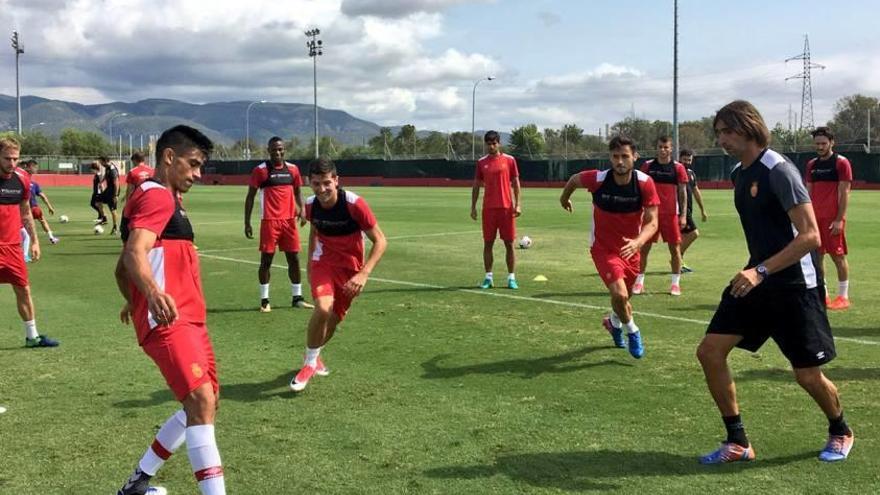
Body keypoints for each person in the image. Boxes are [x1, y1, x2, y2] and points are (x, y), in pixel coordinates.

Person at [697, 100, 852, 465]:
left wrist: (761, 271)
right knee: (709, 351)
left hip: (795, 285)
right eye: (718, 132)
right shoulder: (739, 174)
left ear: (749, 128)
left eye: (728, 131)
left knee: (808, 376)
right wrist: (757, 272)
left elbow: (811, 236)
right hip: (758, 279)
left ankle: (841, 430)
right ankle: (738, 441)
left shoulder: (778, 171)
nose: (722, 139)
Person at [114, 125, 226, 495]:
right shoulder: (158, 195)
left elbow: (121, 267)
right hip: (171, 321)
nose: (197, 174)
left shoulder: (162, 198)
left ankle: (138, 483)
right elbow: (133, 254)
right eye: (193, 164)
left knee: (205, 405)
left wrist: (134, 298)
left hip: (190, 319)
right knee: (199, 400)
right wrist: (151, 294)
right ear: (168, 157)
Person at [289, 157, 387, 392]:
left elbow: (381, 241)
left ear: (336, 181)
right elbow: (313, 232)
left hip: (351, 270)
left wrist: (363, 274)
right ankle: (309, 363)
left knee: (333, 319)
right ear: (308, 183)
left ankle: (314, 354)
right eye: (315, 184)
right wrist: (311, 267)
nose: (321, 189)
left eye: (326, 183)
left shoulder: (355, 204)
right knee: (323, 308)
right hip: (323, 263)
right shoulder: (310, 206)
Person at [559, 135, 659, 358]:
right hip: (603, 248)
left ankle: (613, 323)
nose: (620, 161)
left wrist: (638, 242)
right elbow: (575, 179)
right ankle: (633, 331)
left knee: (623, 298)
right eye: (615, 157)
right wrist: (564, 198)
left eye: (625, 156)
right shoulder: (598, 179)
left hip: (631, 250)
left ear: (635, 157)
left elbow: (653, 222)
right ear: (610, 158)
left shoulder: (644, 183)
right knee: (620, 295)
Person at [0, 138, 59, 348]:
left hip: (13, 246)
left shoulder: (22, 179)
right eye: (7, 158)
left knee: (23, 289)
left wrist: (35, 241)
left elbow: (25, 213)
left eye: (15, 158)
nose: (12, 163)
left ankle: (32, 336)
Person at [244, 136, 314, 312]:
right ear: (268, 151)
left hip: (289, 221)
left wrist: (303, 211)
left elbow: (298, 191)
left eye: (280, 149)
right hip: (269, 222)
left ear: (284, 150)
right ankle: (265, 301)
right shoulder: (260, 171)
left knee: (294, 259)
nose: (278, 152)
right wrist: (247, 222)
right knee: (266, 261)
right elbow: (250, 196)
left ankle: (297, 298)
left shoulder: (293, 170)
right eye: (274, 149)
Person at [632, 136, 688, 296]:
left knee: (675, 251)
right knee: (643, 249)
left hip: (671, 215)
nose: (663, 150)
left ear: (671, 149)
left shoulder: (678, 168)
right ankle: (639, 282)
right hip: (650, 215)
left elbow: (683, 193)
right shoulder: (647, 166)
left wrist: (683, 215)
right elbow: (639, 190)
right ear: (656, 148)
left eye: (666, 147)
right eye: (660, 147)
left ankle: (675, 284)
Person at [805, 127, 852, 310]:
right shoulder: (811, 165)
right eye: (817, 143)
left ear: (832, 142)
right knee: (817, 258)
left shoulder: (841, 163)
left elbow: (844, 192)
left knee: (837, 256)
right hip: (814, 219)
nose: (820, 146)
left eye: (824, 143)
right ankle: (822, 295)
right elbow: (807, 193)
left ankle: (843, 296)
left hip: (833, 218)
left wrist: (839, 219)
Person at [470, 130, 521, 289]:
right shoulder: (481, 162)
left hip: (506, 208)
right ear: (485, 144)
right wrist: (473, 206)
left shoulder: (510, 160)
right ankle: (488, 277)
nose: (491, 146)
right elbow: (476, 186)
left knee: (509, 243)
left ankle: (511, 278)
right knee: (488, 244)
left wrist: (518, 204)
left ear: (499, 143)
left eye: (494, 143)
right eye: (488, 144)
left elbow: (516, 183)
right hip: (489, 209)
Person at [678, 149, 708, 272]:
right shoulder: (675, 171)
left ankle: (679, 263)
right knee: (694, 233)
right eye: (685, 159)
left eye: (689, 160)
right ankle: (676, 258)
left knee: (684, 237)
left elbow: (696, 191)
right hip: (679, 210)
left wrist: (702, 210)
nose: (687, 162)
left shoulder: (691, 173)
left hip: (688, 209)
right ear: (680, 158)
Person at [22, 160, 60, 245]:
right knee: (42, 221)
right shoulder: (33, 184)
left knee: (23, 227)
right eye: (35, 167)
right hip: (34, 208)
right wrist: (50, 207)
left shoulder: (21, 181)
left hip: (24, 209)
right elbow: (43, 196)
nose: (36, 169)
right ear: (30, 167)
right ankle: (51, 237)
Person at [97, 156, 121, 235]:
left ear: (105, 161)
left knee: (113, 210)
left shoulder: (112, 170)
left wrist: (116, 195)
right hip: (108, 189)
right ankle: (105, 218)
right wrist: (101, 182)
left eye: (101, 162)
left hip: (113, 191)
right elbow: (105, 175)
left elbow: (116, 183)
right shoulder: (107, 167)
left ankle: (115, 227)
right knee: (98, 201)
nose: (101, 164)